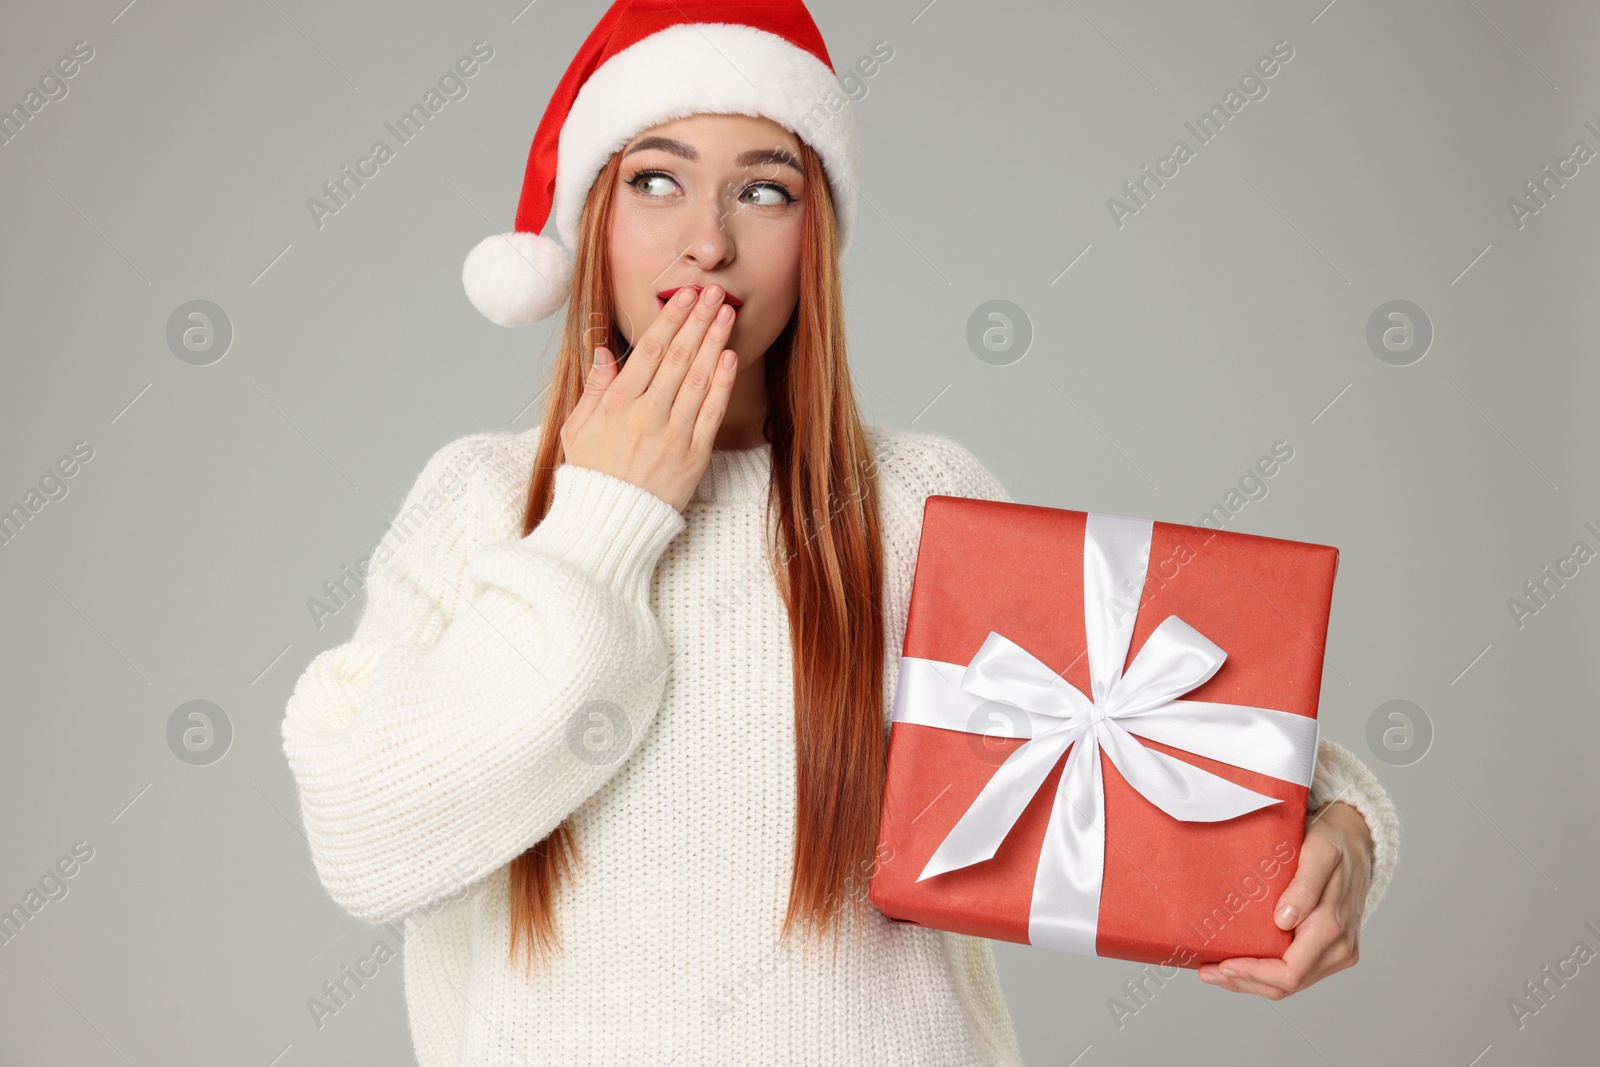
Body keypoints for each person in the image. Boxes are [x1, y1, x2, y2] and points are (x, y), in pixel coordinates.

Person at [279, 1, 1401, 1063]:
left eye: (762, 192)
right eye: (656, 180)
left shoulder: (917, 502)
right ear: (592, 223)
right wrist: (603, 519)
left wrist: (1342, 832)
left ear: (816, 234)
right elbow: (367, 838)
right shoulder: (477, 500)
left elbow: (1168, 728)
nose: (705, 243)